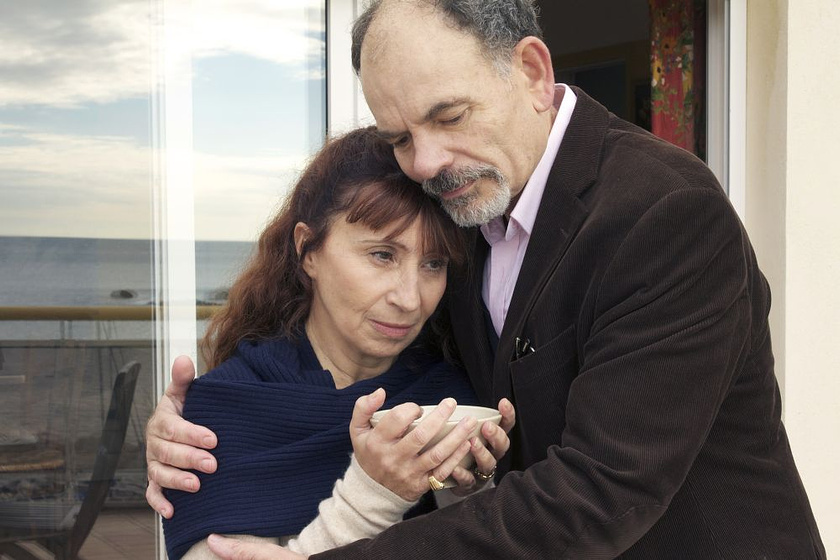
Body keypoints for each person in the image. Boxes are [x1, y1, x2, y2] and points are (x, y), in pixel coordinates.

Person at [148, 1, 827, 558]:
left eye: (448, 117)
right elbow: (355, 358)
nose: (426, 162)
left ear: (531, 71)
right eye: (399, 138)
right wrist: (209, 425)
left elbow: (597, 495)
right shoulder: (466, 209)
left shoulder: (665, 214)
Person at [158, 126, 514, 559]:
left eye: (433, 264)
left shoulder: (452, 400)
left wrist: (467, 487)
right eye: (382, 255)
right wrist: (374, 494)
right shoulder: (225, 409)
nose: (409, 298)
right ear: (308, 250)